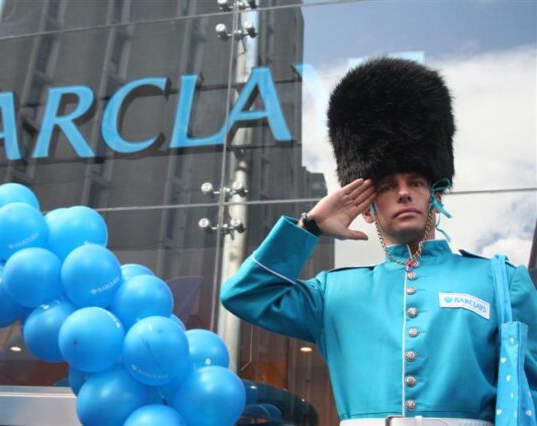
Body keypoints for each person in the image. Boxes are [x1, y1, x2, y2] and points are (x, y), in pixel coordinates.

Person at [220, 57, 537, 425]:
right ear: (367, 209)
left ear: (436, 196)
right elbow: (243, 295)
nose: (404, 194)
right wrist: (310, 227)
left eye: (416, 182)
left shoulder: (500, 282)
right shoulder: (331, 292)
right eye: (387, 186)